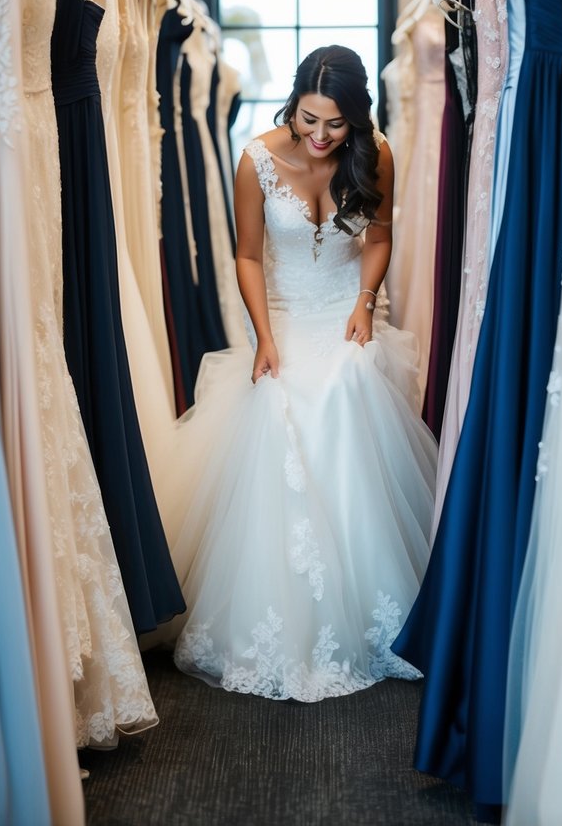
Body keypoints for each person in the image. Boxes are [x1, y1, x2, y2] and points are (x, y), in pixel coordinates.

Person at [162, 45, 438, 701]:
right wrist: (262, 338)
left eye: (335, 125)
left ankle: (372, 604)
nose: (319, 137)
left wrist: (365, 306)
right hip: (282, 317)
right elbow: (248, 256)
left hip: (344, 310)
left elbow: (375, 238)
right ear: (292, 104)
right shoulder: (255, 158)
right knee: (277, 399)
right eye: (308, 120)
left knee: (348, 385)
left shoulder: (378, 155)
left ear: (355, 119)